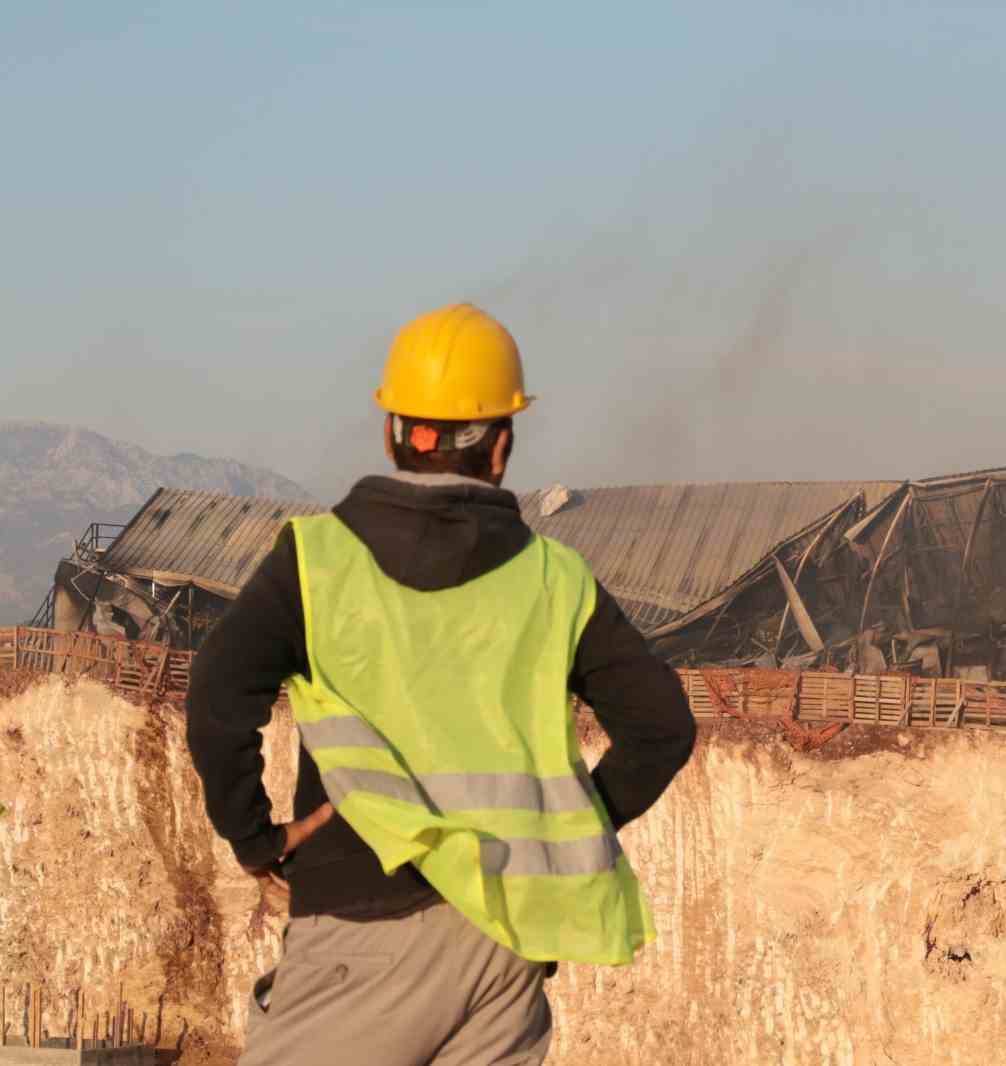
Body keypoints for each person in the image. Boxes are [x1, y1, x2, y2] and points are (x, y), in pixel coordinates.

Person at [186, 303, 697, 1065]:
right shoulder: (556, 580)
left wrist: (254, 839)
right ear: (502, 444)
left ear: (393, 429)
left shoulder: (316, 560)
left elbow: (218, 694)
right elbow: (661, 728)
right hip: (506, 944)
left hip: (363, 929)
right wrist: (562, 830)